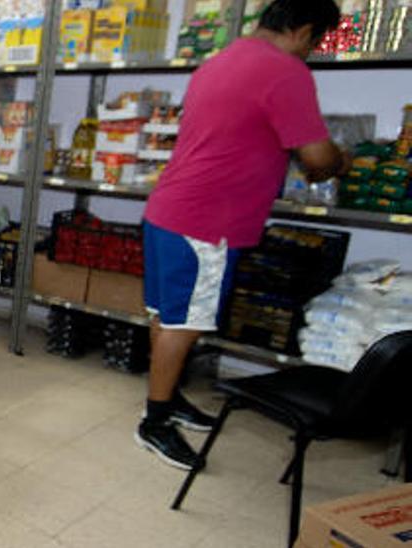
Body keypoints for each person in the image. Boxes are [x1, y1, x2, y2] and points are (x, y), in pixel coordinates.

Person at [137, 0, 348, 471]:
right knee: (182, 323)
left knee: (167, 316)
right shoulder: (286, 71)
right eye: (316, 42)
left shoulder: (221, 62)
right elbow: (316, 160)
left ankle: (166, 400)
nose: (312, 52)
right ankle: (154, 422)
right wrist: (342, 159)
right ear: (304, 30)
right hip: (205, 223)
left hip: (169, 212)